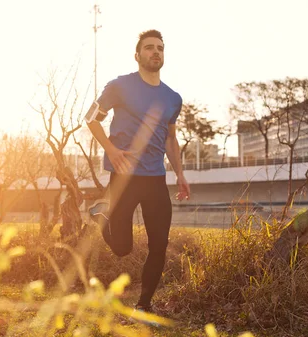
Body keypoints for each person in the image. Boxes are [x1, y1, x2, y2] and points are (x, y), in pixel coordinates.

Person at [85, 29, 190, 314]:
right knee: (122, 248)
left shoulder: (172, 98)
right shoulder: (119, 86)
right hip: (124, 176)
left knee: (159, 244)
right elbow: (91, 118)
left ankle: (144, 304)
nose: (155, 52)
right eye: (149, 48)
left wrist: (180, 174)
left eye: (160, 48)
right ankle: (100, 216)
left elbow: (170, 138)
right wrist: (110, 149)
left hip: (156, 178)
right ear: (138, 55)